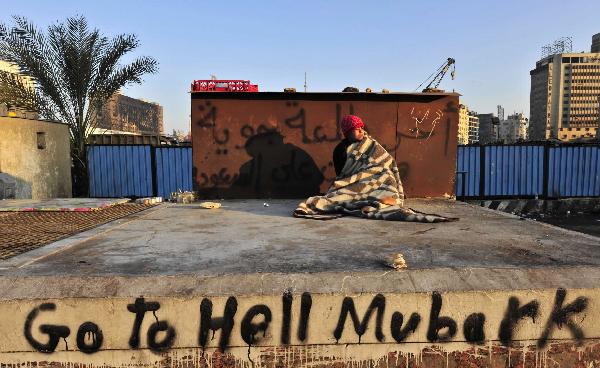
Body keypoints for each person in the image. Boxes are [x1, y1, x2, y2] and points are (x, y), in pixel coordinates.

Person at [294, 114, 457, 222]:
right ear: (347, 132)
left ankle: (383, 198)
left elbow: (386, 162)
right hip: (353, 185)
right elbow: (343, 175)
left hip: (376, 183)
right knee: (340, 198)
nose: (360, 132)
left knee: (385, 175)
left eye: (361, 128)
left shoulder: (370, 144)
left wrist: (375, 174)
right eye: (355, 130)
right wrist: (358, 180)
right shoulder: (340, 150)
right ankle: (370, 200)